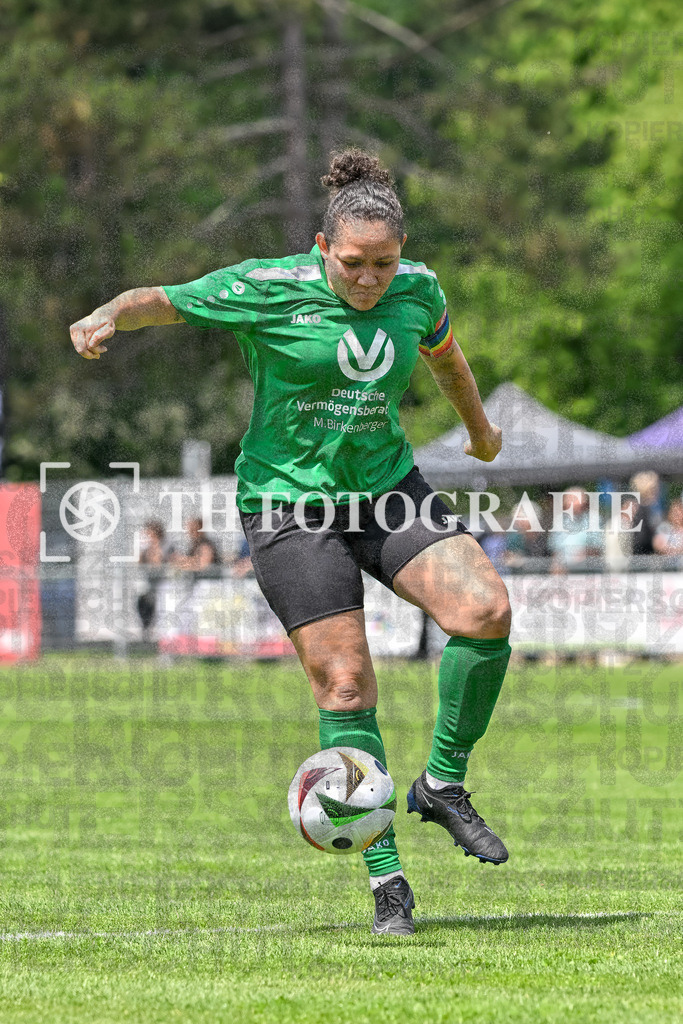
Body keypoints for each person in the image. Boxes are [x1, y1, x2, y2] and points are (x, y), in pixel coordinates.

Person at [69, 149, 512, 936]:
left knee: (483, 609)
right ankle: (389, 885)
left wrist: (477, 430)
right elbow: (162, 301)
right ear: (321, 248)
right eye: (353, 264)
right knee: (346, 685)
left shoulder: (419, 290)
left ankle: (442, 783)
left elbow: (446, 357)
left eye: (383, 262)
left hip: (384, 492)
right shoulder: (266, 287)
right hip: (289, 508)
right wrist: (108, 313)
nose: (370, 278)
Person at [136, 519, 175, 637]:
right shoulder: (146, 547)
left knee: (162, 609)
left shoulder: (166, 545)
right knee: (143, 603)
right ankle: (147, 629)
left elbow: (158, 563)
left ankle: (165, 635)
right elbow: (139, 562)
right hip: (150, 583)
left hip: (164, 583)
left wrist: (155, 546)